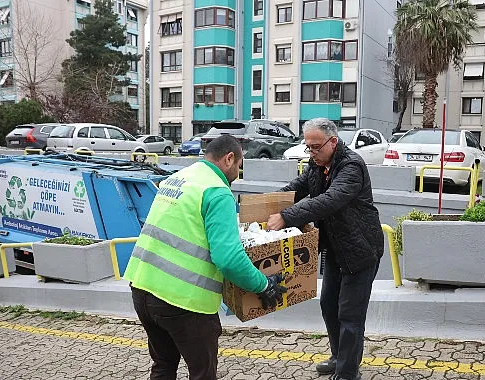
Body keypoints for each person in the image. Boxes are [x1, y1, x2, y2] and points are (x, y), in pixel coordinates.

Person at [123, 135, 287, 380]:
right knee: (202, 373)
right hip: (184, 301)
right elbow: (229, 259)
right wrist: (263, 285)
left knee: (164, 365)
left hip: (143, 288)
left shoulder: (177, 178)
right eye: (239, 166)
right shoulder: (218, 192)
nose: (238, 173)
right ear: (229, 158)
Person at [267, 118, 383, 380]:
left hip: (360, 250)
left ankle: (347, 373)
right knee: (329, 305)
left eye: (316, 147)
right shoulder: (318, 164)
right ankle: (338, 356)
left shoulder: (351, 166)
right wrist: (268, 204)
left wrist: (286, 216)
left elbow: (329, 201)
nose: (311, 152)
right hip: (335, 249)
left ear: (333, 142)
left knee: (350, 315)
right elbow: (298, 188)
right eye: (308, 147)